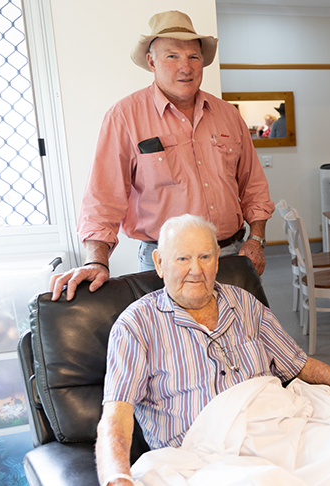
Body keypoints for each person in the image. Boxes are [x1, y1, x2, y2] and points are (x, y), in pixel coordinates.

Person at [96, 214, 330, 486]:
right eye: (182, 258)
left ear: (218, 259)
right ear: (159, 263)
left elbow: (298, 364)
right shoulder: (136, 325)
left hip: (282, 425)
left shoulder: (243, 302)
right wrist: (116, 476)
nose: (195, 270)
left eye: (205, 256)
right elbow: (117, 413)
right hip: (205, 453)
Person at [50, 10, 272, 303]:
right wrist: (97, 261)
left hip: (228, 255)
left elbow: (253, 185)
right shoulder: (125, 116)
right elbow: (102, 198)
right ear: (152, 61)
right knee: (170, 346)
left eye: (193, 57)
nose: (185, 67)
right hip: (164, 262)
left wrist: (256, 239)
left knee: (238, 342)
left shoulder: (228, 115)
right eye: (172, 56)